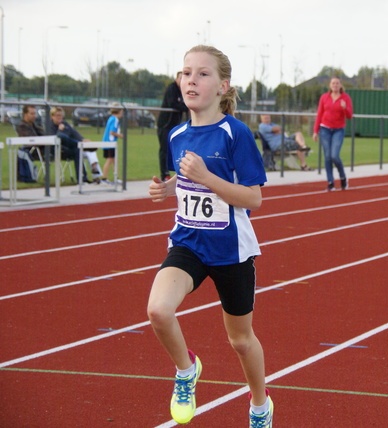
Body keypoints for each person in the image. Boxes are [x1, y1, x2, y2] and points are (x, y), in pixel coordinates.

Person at [147, 45, 273, 427]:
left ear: (222, 85)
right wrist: (168, 189)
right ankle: (186, 371)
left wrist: (208, 178)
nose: (192, 80)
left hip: (231, 250)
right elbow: (183, 179)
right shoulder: (176, 134)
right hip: (188, 242)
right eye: (186, 73)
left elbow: (254, 198)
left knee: (240, 340)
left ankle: (259, 405)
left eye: (203, 74)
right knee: (158, 310)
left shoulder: (235, 134)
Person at [313, 76, 353, 191]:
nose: (335, 85)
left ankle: (343, 177)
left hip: (338, 129)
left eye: (337, 83)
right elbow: (319, 114)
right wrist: (316, 131)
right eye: (333, 83)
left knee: (334, 155)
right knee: (327, 156)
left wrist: (345, 108)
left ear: (340, 85)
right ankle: (330, 181)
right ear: (330, 85)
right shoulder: (324, 97)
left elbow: (349, 116)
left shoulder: (345, 98)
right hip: (325, 129)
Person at [48, 107, 101, 183]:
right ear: (52, 116)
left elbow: (74, 133)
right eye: (57, 115)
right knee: (61, 136)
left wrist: (83, 139)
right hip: (57, 150)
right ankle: (81, 145)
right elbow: (55, 139)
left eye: (61, 115)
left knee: (78, 150)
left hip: (69, 149)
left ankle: (82, 179)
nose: (59, 117)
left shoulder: (65, 123)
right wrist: (60, 130)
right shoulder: (50, 126)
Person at [158, 72, 189, 181]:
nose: (182, 80)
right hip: (166, 124)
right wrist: (186, 107)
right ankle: (165, 174)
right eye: (181, 78)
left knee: (178, 149)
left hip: (176, 125)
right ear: (176, 78)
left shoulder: (183, 90)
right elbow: (173, 103)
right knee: (164, 149)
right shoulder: (172, 88)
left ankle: (178, 173)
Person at [100, 106, 124, 183]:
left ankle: (116, 177)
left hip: (107, 142)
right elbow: (112, 132)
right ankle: (104, 178)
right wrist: (120, 135)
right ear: (119, 112)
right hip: (110, 143)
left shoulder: (111, 118)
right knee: (109, 160)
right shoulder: (115, 119)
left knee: (114, 160)